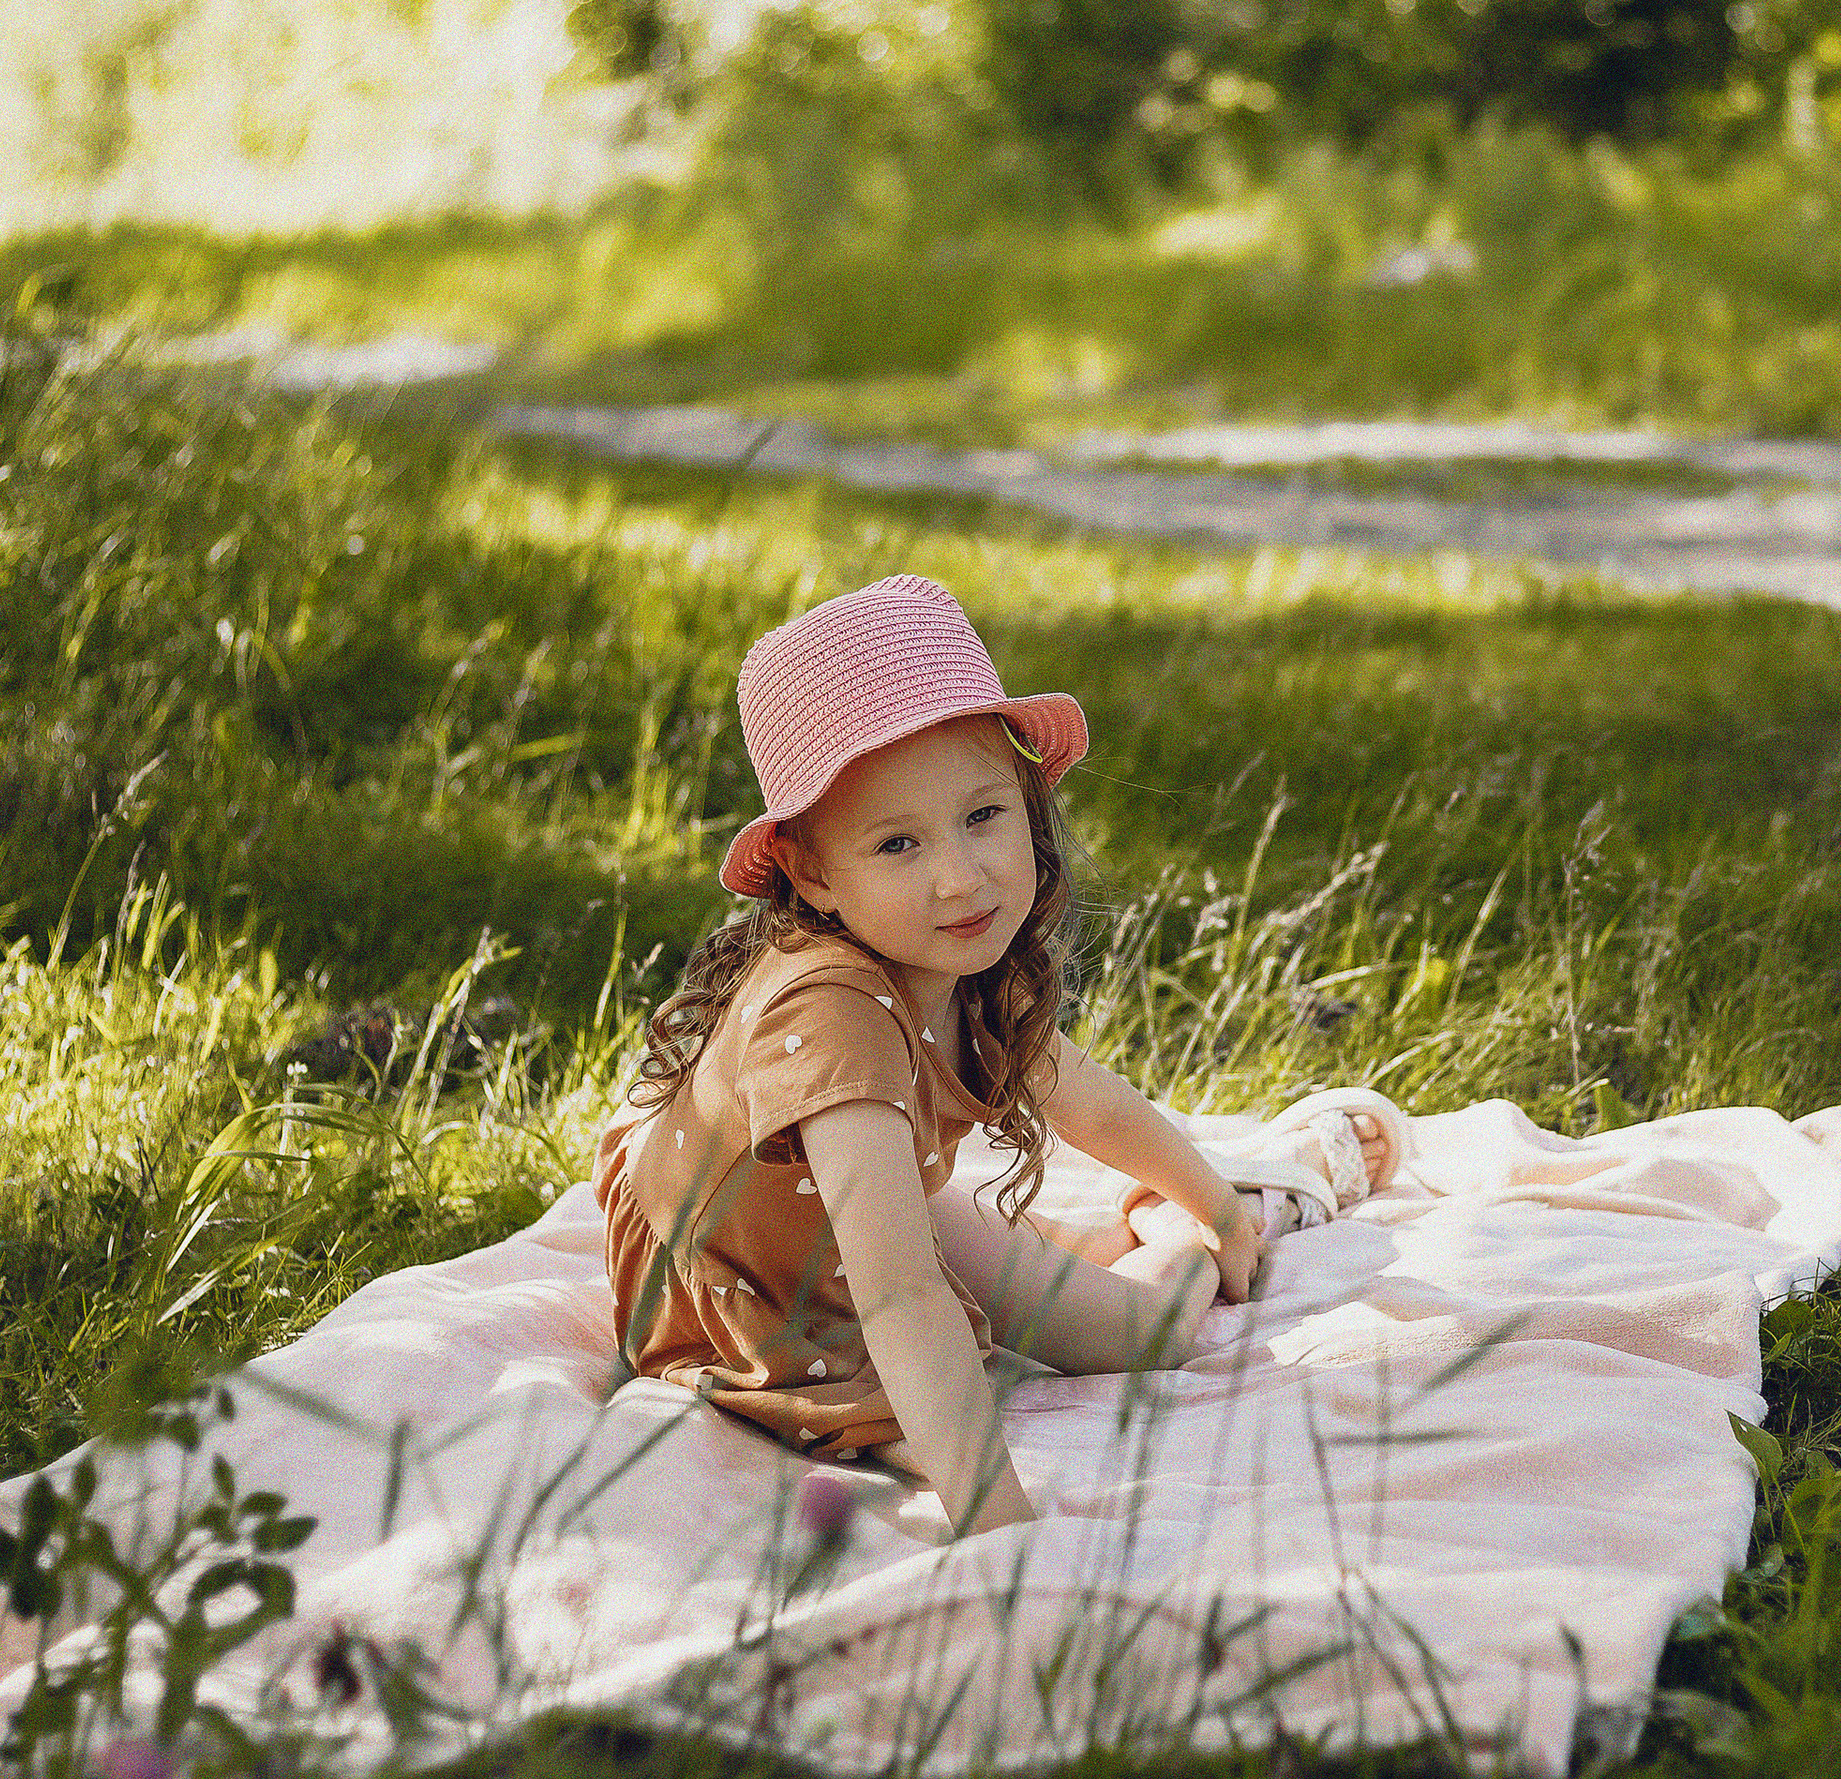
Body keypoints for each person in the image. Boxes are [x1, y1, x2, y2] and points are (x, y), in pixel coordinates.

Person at [594, 573, 1402, 1534]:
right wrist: (995, 1523)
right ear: (811, 874)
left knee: (1127, 1317)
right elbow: (896, 1293)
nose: (960, 877)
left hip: (847, 1204)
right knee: (1134, 1333)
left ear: (1027, 802)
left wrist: (1217, 1212)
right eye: (897, 844)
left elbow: (1081, 1096)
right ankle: (1180, 1238)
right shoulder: (836, 1014)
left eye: (983, 817)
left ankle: (1226, 1215)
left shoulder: (948, 946)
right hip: (756, 1274)